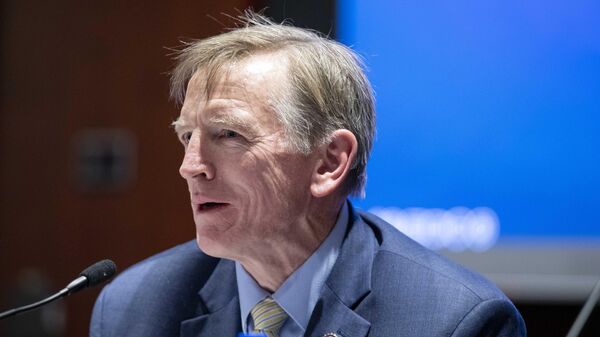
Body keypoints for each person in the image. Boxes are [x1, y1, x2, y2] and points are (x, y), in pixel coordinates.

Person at [90, 11, 526, 337]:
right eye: (187, 137)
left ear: (329, 162)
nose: (190, 167)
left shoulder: (454, 321)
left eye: (228, 134)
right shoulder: (135, 309)